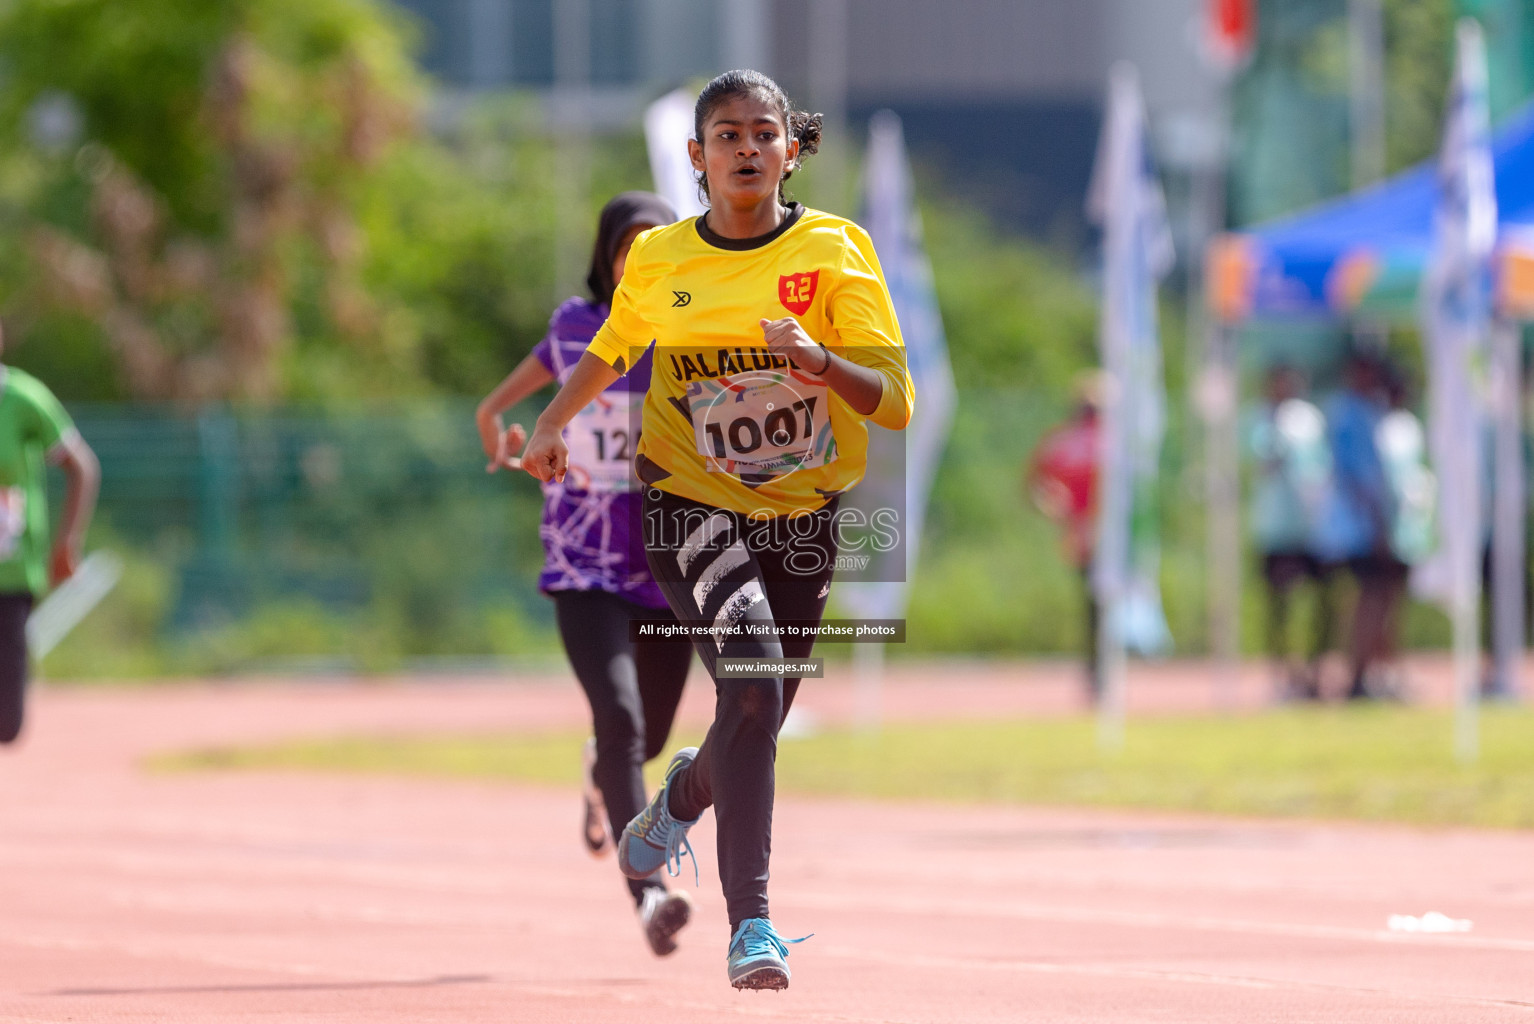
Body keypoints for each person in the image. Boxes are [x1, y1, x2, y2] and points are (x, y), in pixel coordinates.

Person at [518, 69, 913, 991]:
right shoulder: (660, 260)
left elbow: (894, 401)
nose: (745, 148)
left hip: (805, 514)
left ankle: (681, 796)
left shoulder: (836, 251)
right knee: (748, 691)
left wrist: (820, 362)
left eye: (762, 133)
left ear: (791, 148)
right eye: (726, 135)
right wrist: (550, 422)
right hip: (689, 500)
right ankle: (755, 927)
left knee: (759, 708)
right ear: (696, 158)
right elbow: (612, 347)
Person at [474, 192, 697, 957]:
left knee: (650, 737)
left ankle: (603, 778)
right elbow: (509, 406)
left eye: (653, 245)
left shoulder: (690, 330)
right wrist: (501, 430)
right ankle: (651, 897)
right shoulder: (575, 328)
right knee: (625, 721)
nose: (638, 260)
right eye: (626, 247)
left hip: (668, 566)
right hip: (583, 566)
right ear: (606, 256)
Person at [0, 317, 100, 744]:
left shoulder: (23, 399)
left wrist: (66, 543)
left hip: (11, 569)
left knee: (7, 722)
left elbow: (82, 467)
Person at [1247, 365, 1336, 701]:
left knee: (1324, 600)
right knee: (1278, 605)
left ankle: (1315, 672)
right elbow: (1260, 464)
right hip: (1274, 526)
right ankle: (1284, 674)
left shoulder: (1309, 419)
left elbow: (1321, 467)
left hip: (1312, 526)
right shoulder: (1259, 420)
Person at [1318, 349, 1400, 701]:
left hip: (1366, 523)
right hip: (1360, 526)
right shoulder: (1349, 414)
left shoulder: (1366, 412)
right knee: (1367, 598)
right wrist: (1377, 522)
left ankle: (1365, 671)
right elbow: (1357, 478)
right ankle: (1356, 673)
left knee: (1376, 598)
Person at [1026, 376, 1102, 703]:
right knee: (1094, 605)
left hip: (1094, 532)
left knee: (1098, 605)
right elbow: (1038, 486)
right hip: (1085, 534)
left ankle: (1099, 673)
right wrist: (1063, 515)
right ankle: (1097, 674)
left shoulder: (1097, 440)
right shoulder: (1067, 441)